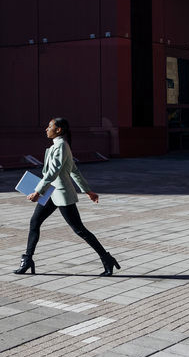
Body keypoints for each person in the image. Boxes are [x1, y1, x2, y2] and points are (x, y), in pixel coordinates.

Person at [15, 117, 120, 277]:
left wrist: (37, 191)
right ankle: (28, 259)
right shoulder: (58, 146)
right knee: (34, 222)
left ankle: (106, 258)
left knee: (80, 230)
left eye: (49, 126)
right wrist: (88, 190)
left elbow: (53, 172)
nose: (46, 129)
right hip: (51, 193)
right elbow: (74, 171)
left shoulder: (62, 146)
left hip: (62, 195)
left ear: (58, 130)